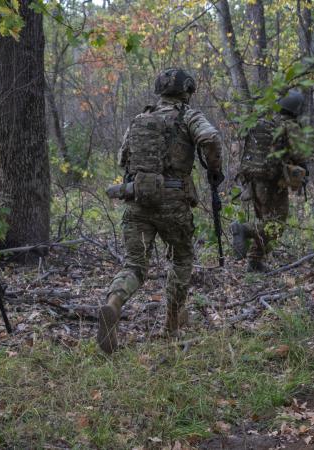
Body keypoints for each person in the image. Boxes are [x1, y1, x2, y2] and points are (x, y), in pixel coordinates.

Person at [98, 68, 224, 354]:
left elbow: (123, 158)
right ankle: (172, 323)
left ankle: (113, 304)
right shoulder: (189, 115)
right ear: (187, 90)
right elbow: (211, 139)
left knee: (133, 266)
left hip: (137, 200)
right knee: (181, 259)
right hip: (173, 203)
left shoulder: (141, 119)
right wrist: (214, 169)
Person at [230, 90, 310, 273]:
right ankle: (243, 229)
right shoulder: (289, 125)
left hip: (253, 180)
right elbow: (300, 153)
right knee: (276, 226)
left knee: (266, 221)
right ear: (296, 109)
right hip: (273, 182)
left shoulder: (265, 122)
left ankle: (254, 261)